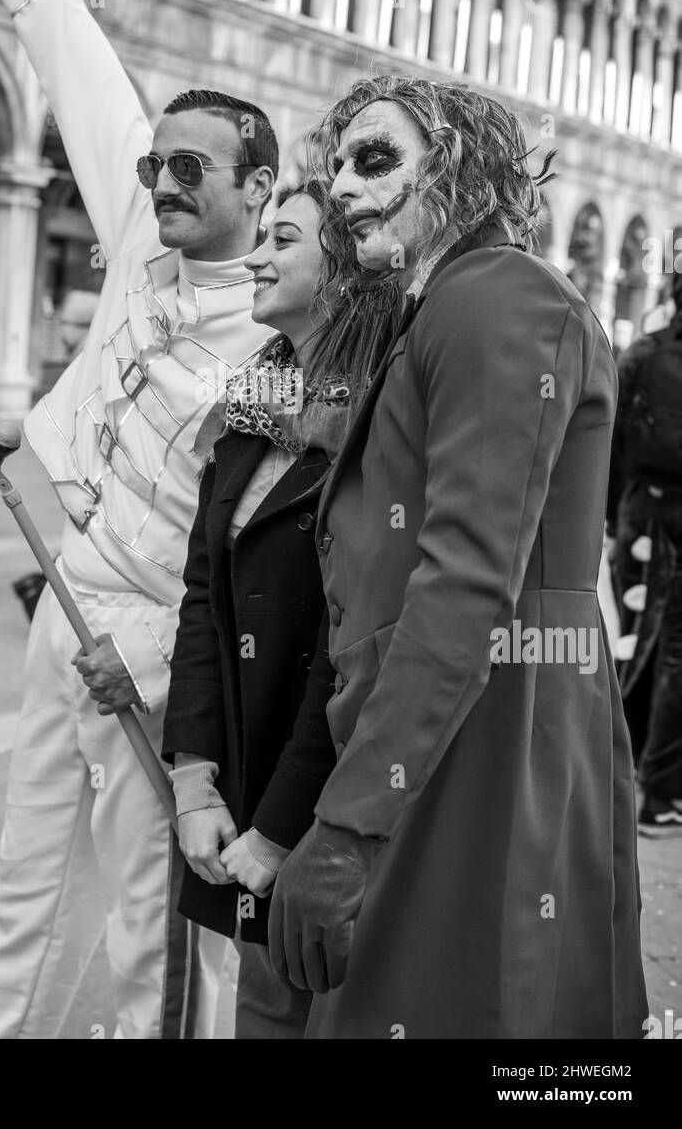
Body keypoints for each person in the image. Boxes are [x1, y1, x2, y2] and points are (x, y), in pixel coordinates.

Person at [268, 75, 648, 1039]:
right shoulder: (444, 308)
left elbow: (467, 583)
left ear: (461, 168)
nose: (344, 186)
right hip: (443, 730)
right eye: (338, 162)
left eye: (376, 158)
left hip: (483, 736)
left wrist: (348, 827)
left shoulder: (500, 298)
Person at [0, 0, 278, 1040]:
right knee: (22, 881)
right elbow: (97, 106)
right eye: (160, 165)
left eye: (194, 167)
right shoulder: (147, 227)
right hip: (64, 595)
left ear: (260, 188)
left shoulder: (288, 331)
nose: (164, 182)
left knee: (153, 920)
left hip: (153, 648)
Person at [154, 180, 401, 1038]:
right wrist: (192, 775)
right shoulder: (250, 406)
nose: (255, 256)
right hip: (240, 790)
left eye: (282, 240)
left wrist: (278, 826)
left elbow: (348, 646)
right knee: (258, 1013)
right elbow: (202, 598)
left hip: (327, 807)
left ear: (340, 271)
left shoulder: (380, 424)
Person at [607, 268, 682, 837]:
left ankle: (617, 777)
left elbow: (607, 438)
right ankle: (654, 789)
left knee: (632, 640)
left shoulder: (643, 353)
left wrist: (608, 521)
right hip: (662, 513)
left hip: (641, 515)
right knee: (669, 652)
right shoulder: (647, 354)